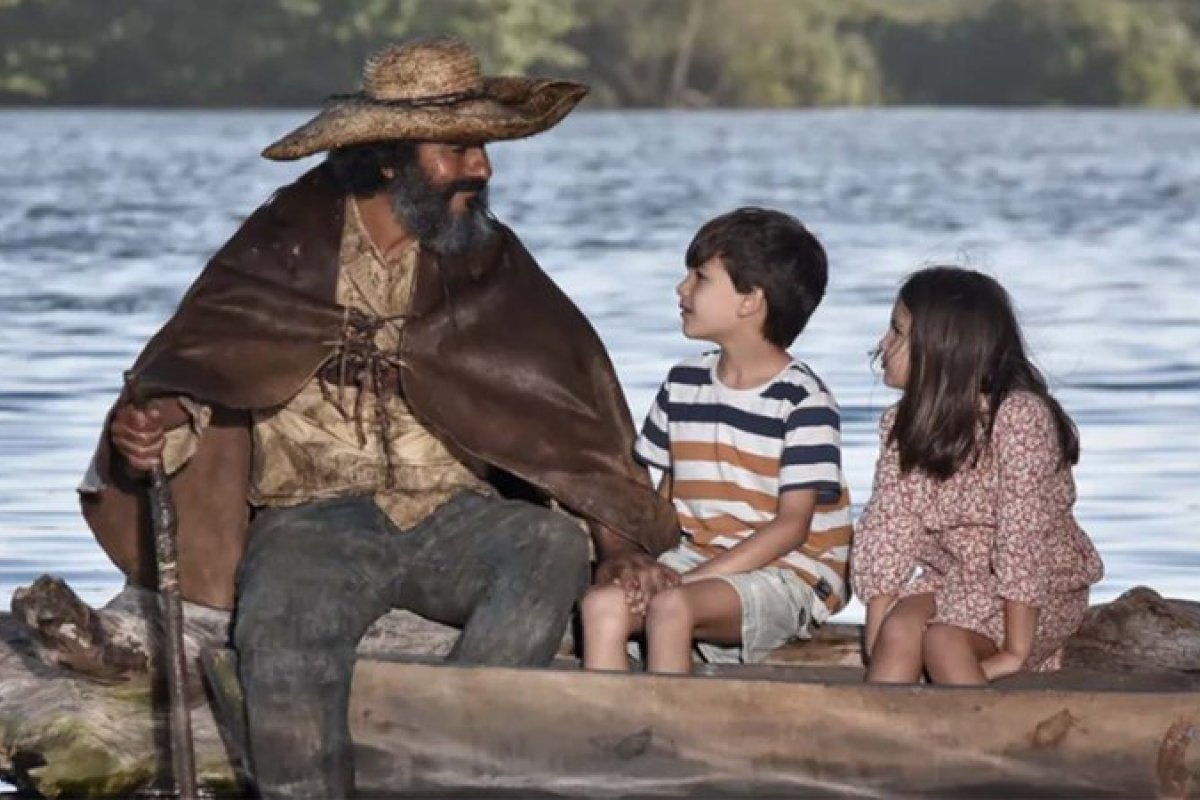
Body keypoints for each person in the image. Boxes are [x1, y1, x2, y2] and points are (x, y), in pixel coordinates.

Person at [78, 36, 679, 797]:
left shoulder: (488, 259)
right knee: (282, 640)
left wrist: (617, 544)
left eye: (483, 148)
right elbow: (204, 360)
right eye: (456, 150)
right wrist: (155, 426)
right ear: (391, 159)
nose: (482, 169)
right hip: (314, 518)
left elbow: (566, 406)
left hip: (456, 516)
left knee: (550, 546)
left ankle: (446, 768)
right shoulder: (284, 246)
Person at [581, 208, 853, 674]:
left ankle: (670, 720)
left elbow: (792, 528)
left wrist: (685, 581)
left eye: (700, 277)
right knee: (602, 604)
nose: (681, 288)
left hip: (789, 570)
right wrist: (643, 565)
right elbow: (663, 495)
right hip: (698, 558)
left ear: (750, 301)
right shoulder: (683, 383)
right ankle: (609, 719)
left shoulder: (804, 400)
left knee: (671, 607)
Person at [853, 265, 1104, 685]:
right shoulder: (901, 423)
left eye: (897, 331)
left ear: (942, 348)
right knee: (899, 629)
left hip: (1034, 593)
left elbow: (1022, 538)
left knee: (943, 641)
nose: (883, 344)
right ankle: (884, 721)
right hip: (951, 583)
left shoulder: (1018, 418)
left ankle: (972, 726)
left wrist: (1015, 652)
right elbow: (889, 528)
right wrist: (877, 643)